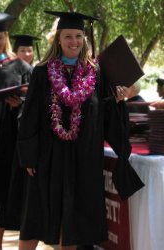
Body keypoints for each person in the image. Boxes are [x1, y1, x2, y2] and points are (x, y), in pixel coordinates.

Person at [15, 11, 144, 250]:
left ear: (84, 38)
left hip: (84, 159)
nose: (73, 41)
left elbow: (105, 115)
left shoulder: (96, 73)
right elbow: (29, 116)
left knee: (74, 223)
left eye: (78, 36)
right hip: (48, 158)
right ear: (58, 39)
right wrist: (28, 156)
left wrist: (119, 101)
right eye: (68, 36)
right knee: (35, 217)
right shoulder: (42, 73)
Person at [0, 12, 32, 250]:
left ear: (6, 37)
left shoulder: (19, 66)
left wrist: (21, 104)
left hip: (7, 140)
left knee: (1, 196)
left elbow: (33, 104)